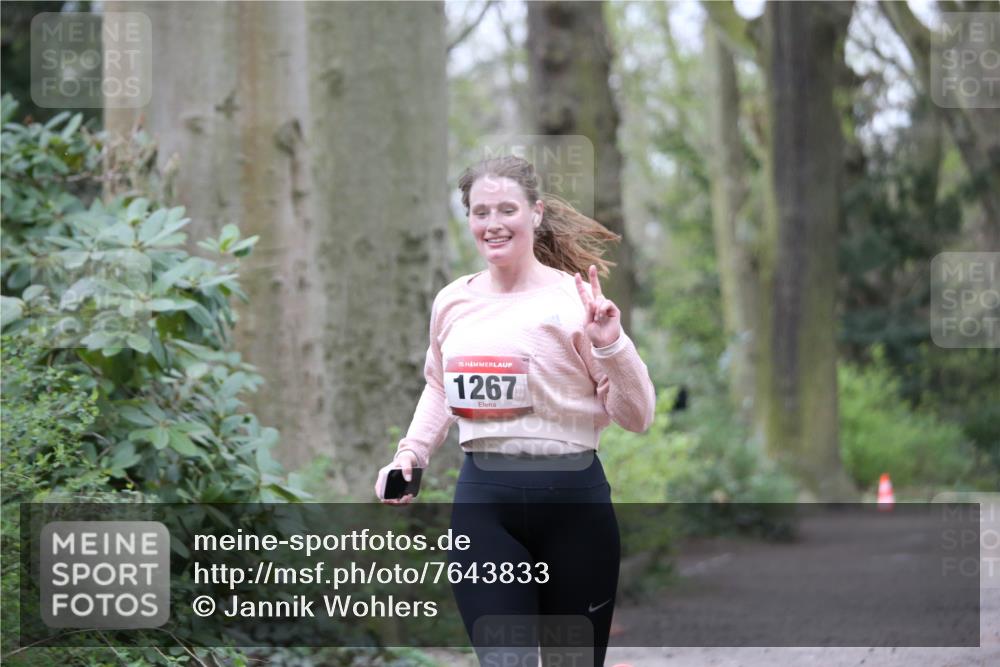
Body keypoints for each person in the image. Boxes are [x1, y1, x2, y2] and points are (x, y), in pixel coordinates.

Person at [374, 155, 656, 666]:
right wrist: (409, 455)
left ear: (536, 213)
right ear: (469, 220)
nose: (493, 223)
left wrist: (612, 345)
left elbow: (637, 416)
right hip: (485, 505)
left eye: (507, 209)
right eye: (480, 212)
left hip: (574, 503)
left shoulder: (577, 301)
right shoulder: (452, 302)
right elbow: (439, 387)